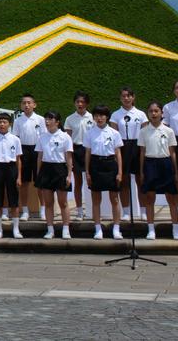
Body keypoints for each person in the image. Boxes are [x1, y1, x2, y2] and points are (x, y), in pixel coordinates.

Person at [139, 101, 178, 241]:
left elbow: (172, 152)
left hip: (165, 163)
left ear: (162, 113)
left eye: (156, 111)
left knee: (172, 199)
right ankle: (151, 229)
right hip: (150, 163)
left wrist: (175, 171)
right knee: (150, 198)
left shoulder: (168, 131)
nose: (154, 114)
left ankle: (176, 230)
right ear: (148, 114)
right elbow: (142, 152)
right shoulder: (143, 131)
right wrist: (142, 171)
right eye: (151, 111)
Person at [85, 104, 123, 240]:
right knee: (96, 199)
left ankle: (117, 228)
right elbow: (88, 153)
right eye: (96, 116)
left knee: (114, 198)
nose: (99, 118)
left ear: (107, 117)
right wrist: (87, 172)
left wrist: (120, 172)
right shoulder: (90, 132)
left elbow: (118, 153)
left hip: (110, 164)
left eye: (102, 115)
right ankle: (98, 229)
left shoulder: (114, 133)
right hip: (96, 164)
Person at [35, 111, 73, 240]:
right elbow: (40, 156)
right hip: (46, 168)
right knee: (48, 202)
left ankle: (66, 229)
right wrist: (39, 173)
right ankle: (50, 229)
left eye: (50, 119)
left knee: (63, 202)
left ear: (57, 122)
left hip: (60, 169)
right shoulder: (42, 137)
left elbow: (68, 157)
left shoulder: (65, 137)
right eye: (46, 119)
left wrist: (69, 175)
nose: (47, 121)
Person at [0, 113, 23, 239]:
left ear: (9, 124)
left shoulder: (15, 139)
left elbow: (18, 159)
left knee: (14, 200)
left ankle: (16, 229)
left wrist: (19, 177)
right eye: (0, 122)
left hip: (11, 168)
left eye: (5, 122)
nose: (2, 124)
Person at [114, 86, 147, 221]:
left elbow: (145, 133)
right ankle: (126, 212)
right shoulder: (116, 115)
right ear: (120, 98)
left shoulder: (141, 114)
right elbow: (115, 135)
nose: (126, 98)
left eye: (129, 96)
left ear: (133, 97)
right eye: (123, 96)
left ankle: (144, 211)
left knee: (141, 179)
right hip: (123, 147)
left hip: (138, 146)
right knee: (124, 181)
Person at [14, 93, 45, 220]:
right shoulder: (17, 120)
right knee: (24, 182)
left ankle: (43, 209)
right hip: (23, 150)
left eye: (29, 103)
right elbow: (15, 138)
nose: (26, 105)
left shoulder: (41, 119)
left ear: (34, 104)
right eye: (24, 103)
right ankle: (25, 210)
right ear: (21, 105)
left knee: (40, 182)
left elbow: (44, 137)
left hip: (38, 150)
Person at [63, 91, 94, 220]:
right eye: (77, 102)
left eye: (82, 102)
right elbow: (68, 138)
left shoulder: (92, 117)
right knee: (78, 182)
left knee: (91, 180)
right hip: (76, 150)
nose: (80, 104)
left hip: (90, 150)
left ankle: (92, 210)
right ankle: (80, 211)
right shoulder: (70, 119)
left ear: (87, 103)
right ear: (74, 103)